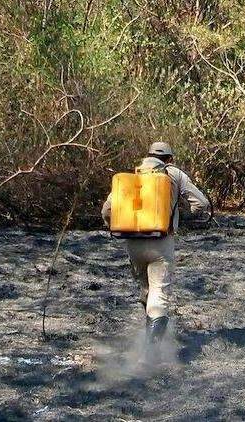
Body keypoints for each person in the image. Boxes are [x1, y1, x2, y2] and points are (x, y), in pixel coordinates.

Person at [101, 142, 210, 362]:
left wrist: (114, 224)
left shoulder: (133, 175)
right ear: (169, 159)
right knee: (159, 295)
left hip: (133, 243)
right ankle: (148, 356)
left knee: (146, 290)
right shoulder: (174, 174)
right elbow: (201, 203)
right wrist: (182, 217)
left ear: (148, 156)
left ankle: (148, 338)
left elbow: (107, 210)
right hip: (161, 242)